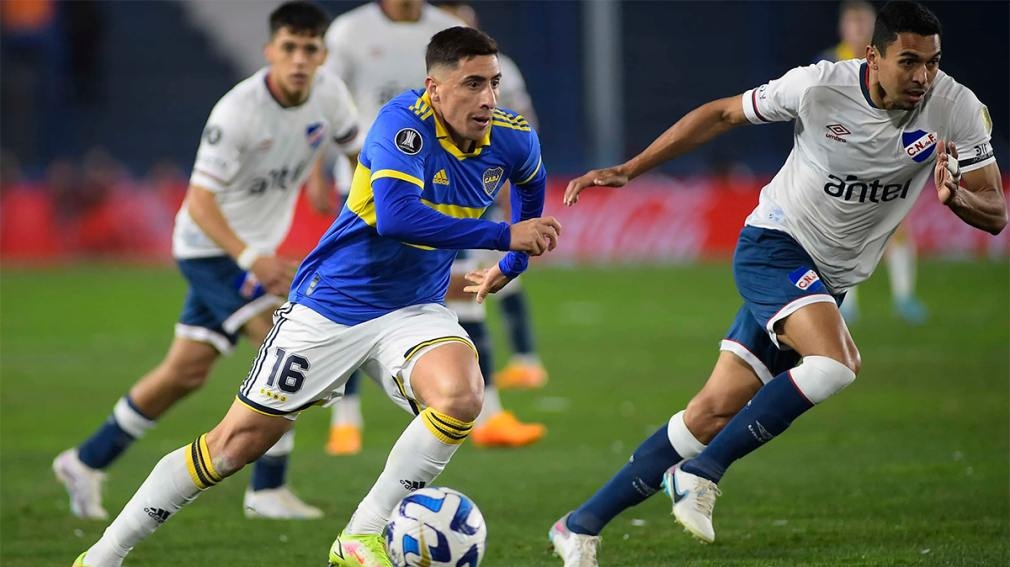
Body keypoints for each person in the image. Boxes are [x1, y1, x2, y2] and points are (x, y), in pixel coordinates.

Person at [73, 26, 561, 567]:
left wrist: (513, 262)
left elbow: (531, 189)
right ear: (434, 88)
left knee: (461, 396)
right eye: (472, 84)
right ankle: (103, 555)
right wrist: (503, 237)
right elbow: (398, 218)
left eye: (493, 82)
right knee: (232, 446)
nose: (488, 98)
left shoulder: (512, 136)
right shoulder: (402, 126)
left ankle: (360, 536)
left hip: (413, 308)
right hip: (332, 305)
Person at [548, 2, 1005, 565]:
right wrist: (630, 168)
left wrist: (958, 199)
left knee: (710, 413)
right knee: (836, 363)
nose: (923, 76)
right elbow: (721, 114)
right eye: (908, 61)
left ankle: (579, 525)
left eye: (932, 62)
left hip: (826, 281)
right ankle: (701, 473)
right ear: (873, 56)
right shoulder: (819, 86)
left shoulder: (956, 107)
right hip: (775, 246)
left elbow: (995, 211)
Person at [55, 0, 361, 523]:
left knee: (185, 372)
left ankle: (85, 461)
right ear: (269, 51)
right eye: (289, 47)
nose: (299, 59)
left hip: (254, 249)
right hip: (212, 249)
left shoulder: (330, 93)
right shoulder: (237, 112)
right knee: (284, 341)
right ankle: (268, 489)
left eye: (310, 49)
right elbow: (198, 200)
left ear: (323, 55)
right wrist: (250, 258)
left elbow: (355, 153)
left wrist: (335, 188)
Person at [322, 0, 545, 454]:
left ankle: (487, 413)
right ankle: (346, 420)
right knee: (355, 299)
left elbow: (522, 150)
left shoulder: (447, 28)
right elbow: (326, 101)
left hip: (447, 181)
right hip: (372, 185)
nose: (487, 92)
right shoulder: (349, 31)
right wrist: (317, 168)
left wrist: (514, 245)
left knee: (463, 295)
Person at [438, 0, 551, 393]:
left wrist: (511, 171)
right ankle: (514, 369)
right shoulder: (435, 76)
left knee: (476, 279)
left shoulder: (502, 69)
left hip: (483, 183)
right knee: (476, 277)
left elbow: (524, 121)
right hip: (445, 187)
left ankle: (512, 371)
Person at [817, 0, 928, 324]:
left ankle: (905, 298)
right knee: (842, 229)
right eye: (853, 24)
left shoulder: (889, 61)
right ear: (843, 28)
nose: (859, 30)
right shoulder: (828, 63)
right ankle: (846, 302)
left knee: (897, 225)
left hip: (885, 157)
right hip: (842, 159)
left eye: (864, 23)